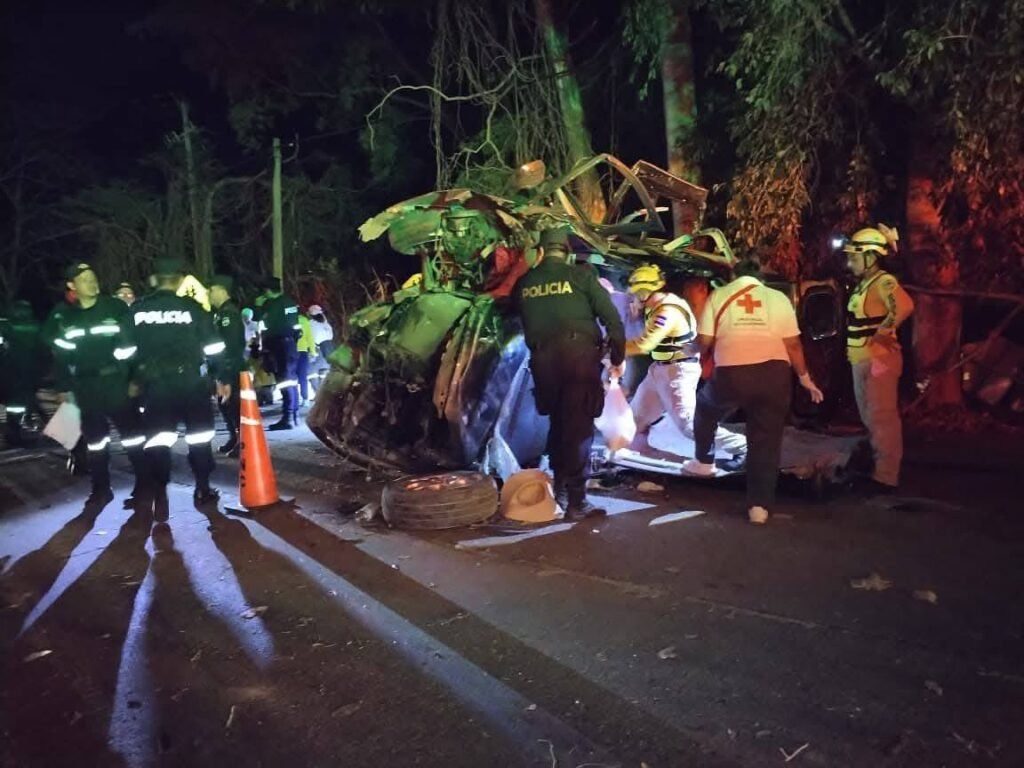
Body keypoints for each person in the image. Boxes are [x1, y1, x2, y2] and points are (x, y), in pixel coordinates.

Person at [685, 258, 823, 524]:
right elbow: (793, 345)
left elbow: (704, 342)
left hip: (732, 375)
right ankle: (759, 508)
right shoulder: (778, 298)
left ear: (734, 275)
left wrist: (687, 350)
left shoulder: (720, 295)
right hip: (774, 376)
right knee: (766, 441)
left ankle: (703, 461)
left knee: (705, 406)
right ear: (759, 275)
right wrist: (805, 379)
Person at [513, 225, 626, 521]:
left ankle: (561, 490)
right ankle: (577, 501)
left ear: (540, 252)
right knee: (578, 430)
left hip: (543, 362)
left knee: (559, 424)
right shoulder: (581, 276)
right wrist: (617, 355)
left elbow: (515, 316)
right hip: (577, 359)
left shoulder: (525, 282)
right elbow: (612, 318)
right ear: (567, 252)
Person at [124, 257, 224, 520]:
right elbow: (214, 347)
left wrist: (136, 375)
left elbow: (122, 351)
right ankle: (202, 488)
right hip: (191, 383)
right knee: (199, 437)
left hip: (155, 386)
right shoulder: (192, 309)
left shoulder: (138, 311)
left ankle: (160, 493)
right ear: (179, 282)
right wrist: (218, 376)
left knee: (158, 439)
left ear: (154, 280)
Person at [44, 263, 147, 507]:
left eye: (93, 277)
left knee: (132, 438)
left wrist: (135, 379)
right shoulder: (67, 317)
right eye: (85, 279)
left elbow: (134, 347)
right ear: (72, 286)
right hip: (85, 387)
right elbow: (61, 356)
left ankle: (145, 485)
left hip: (116, 384)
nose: (92, 282)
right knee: (95, 442)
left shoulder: (115, 307)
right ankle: (101, 489)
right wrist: (63, 388)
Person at [623, 264, 747, 463]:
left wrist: (612, 348)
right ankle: (633, 448)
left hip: (677, 371)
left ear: (645, 292)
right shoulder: (657, 306)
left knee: (688, 425)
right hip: (660, 369)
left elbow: (645, 345)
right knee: (635, 417)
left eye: (636, 294)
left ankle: (744, 447)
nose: (633, 298)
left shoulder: (667, 312)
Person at [843, 225, 914, 492]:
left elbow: (905, 305)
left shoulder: (883, 281)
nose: (849, 261)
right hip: (862, 359)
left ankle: (886, 477)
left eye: (854, 256)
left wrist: (884, 330)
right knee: (870, 417)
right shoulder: (864, 285)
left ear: (870, 256)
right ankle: (877, 470)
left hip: (878, 360)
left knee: (882, 417)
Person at [208, 275, 246, 457]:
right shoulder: (221, 313)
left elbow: (230, 346)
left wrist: (226, 376)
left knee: (233, 406)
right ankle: (234, 437)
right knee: (225, 406)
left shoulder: (228, 314)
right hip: (222, 368)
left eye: (212, 290)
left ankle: (242, 441)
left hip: (230, 368)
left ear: (222, 291)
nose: (209, 294)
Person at [256, 277, 301, 430]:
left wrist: (259, 307)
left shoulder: (272, 305)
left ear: (268, 290)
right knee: (290, 381)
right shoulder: (289, 302)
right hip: (291, 344)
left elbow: (264, 323)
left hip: (278, 345)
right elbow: (295, 325)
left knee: (284, 381)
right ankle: (292, 415)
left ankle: (287, 418)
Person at [2, 301, 47, 446]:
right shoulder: (36, 328)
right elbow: (44, 350)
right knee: (26, 401)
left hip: (11, 372)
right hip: (31, 372)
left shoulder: (7, 328)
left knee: (16, 406)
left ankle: (15, 435)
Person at [295, 310, 318, 407]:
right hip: (302, 350)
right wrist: (313, 352)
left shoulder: (285, 319)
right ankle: (305, 399)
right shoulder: (304, 320)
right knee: (302, 376)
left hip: (289, 351)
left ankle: (295, 399)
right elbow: (310, 337)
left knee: (291, 377)